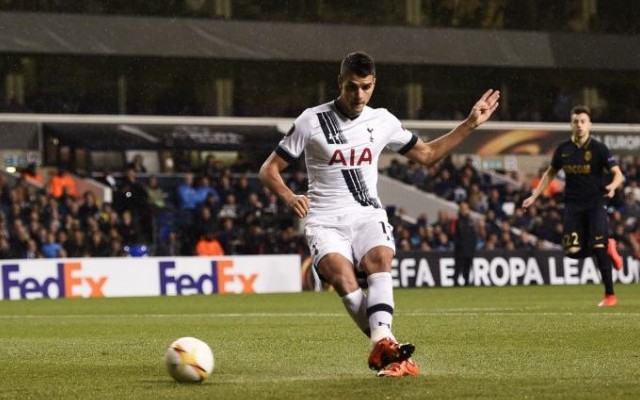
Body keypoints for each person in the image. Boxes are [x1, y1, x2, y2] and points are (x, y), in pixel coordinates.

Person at [259, 51, 500, 377]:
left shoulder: (382, 120)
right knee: (343, 280)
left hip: (366, 214)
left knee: (380, 261)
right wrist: (288, 196)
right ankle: (391, 349)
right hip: (324, 220)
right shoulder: (311, 121)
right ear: (340, 83)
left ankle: (387, 349)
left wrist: (469, 125)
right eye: (352, 87)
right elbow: (269, 169)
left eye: (366, 87)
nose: (359, 95)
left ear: (374, 85)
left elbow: (427, 155)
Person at [522, 105, 624, 307]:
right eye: (576, 121)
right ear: (571, 123)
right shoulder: (563, 149)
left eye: (583, 121)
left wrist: (612, 186)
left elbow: (618, 174)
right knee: (572, 251)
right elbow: (550, 173)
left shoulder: (599, 149)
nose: (579, 125)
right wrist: (534, 196)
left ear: (589, 125)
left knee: (597, 245)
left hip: (595, 203)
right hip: (573, 205)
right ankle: (608, 246)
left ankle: (610, 295)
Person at [452, 201, 478, 286]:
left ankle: (467, 281)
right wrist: (460, 244)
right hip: (460, 249)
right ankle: (455, 282)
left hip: (469, 249)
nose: (464, 210)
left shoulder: (471, 221)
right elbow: (453, 234)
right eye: (462, 208)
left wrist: (472, 246)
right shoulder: (456, 221)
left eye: (465, 208)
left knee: (467, 266)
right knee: (458, 266)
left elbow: (474, 235)